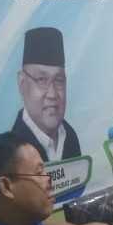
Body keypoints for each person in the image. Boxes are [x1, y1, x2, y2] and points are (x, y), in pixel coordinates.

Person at [12, 27, 81, 161]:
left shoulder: (70, 136)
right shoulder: (13, 151)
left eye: (59, 80)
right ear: (22, 83)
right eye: (41, 80)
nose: (52, 94)